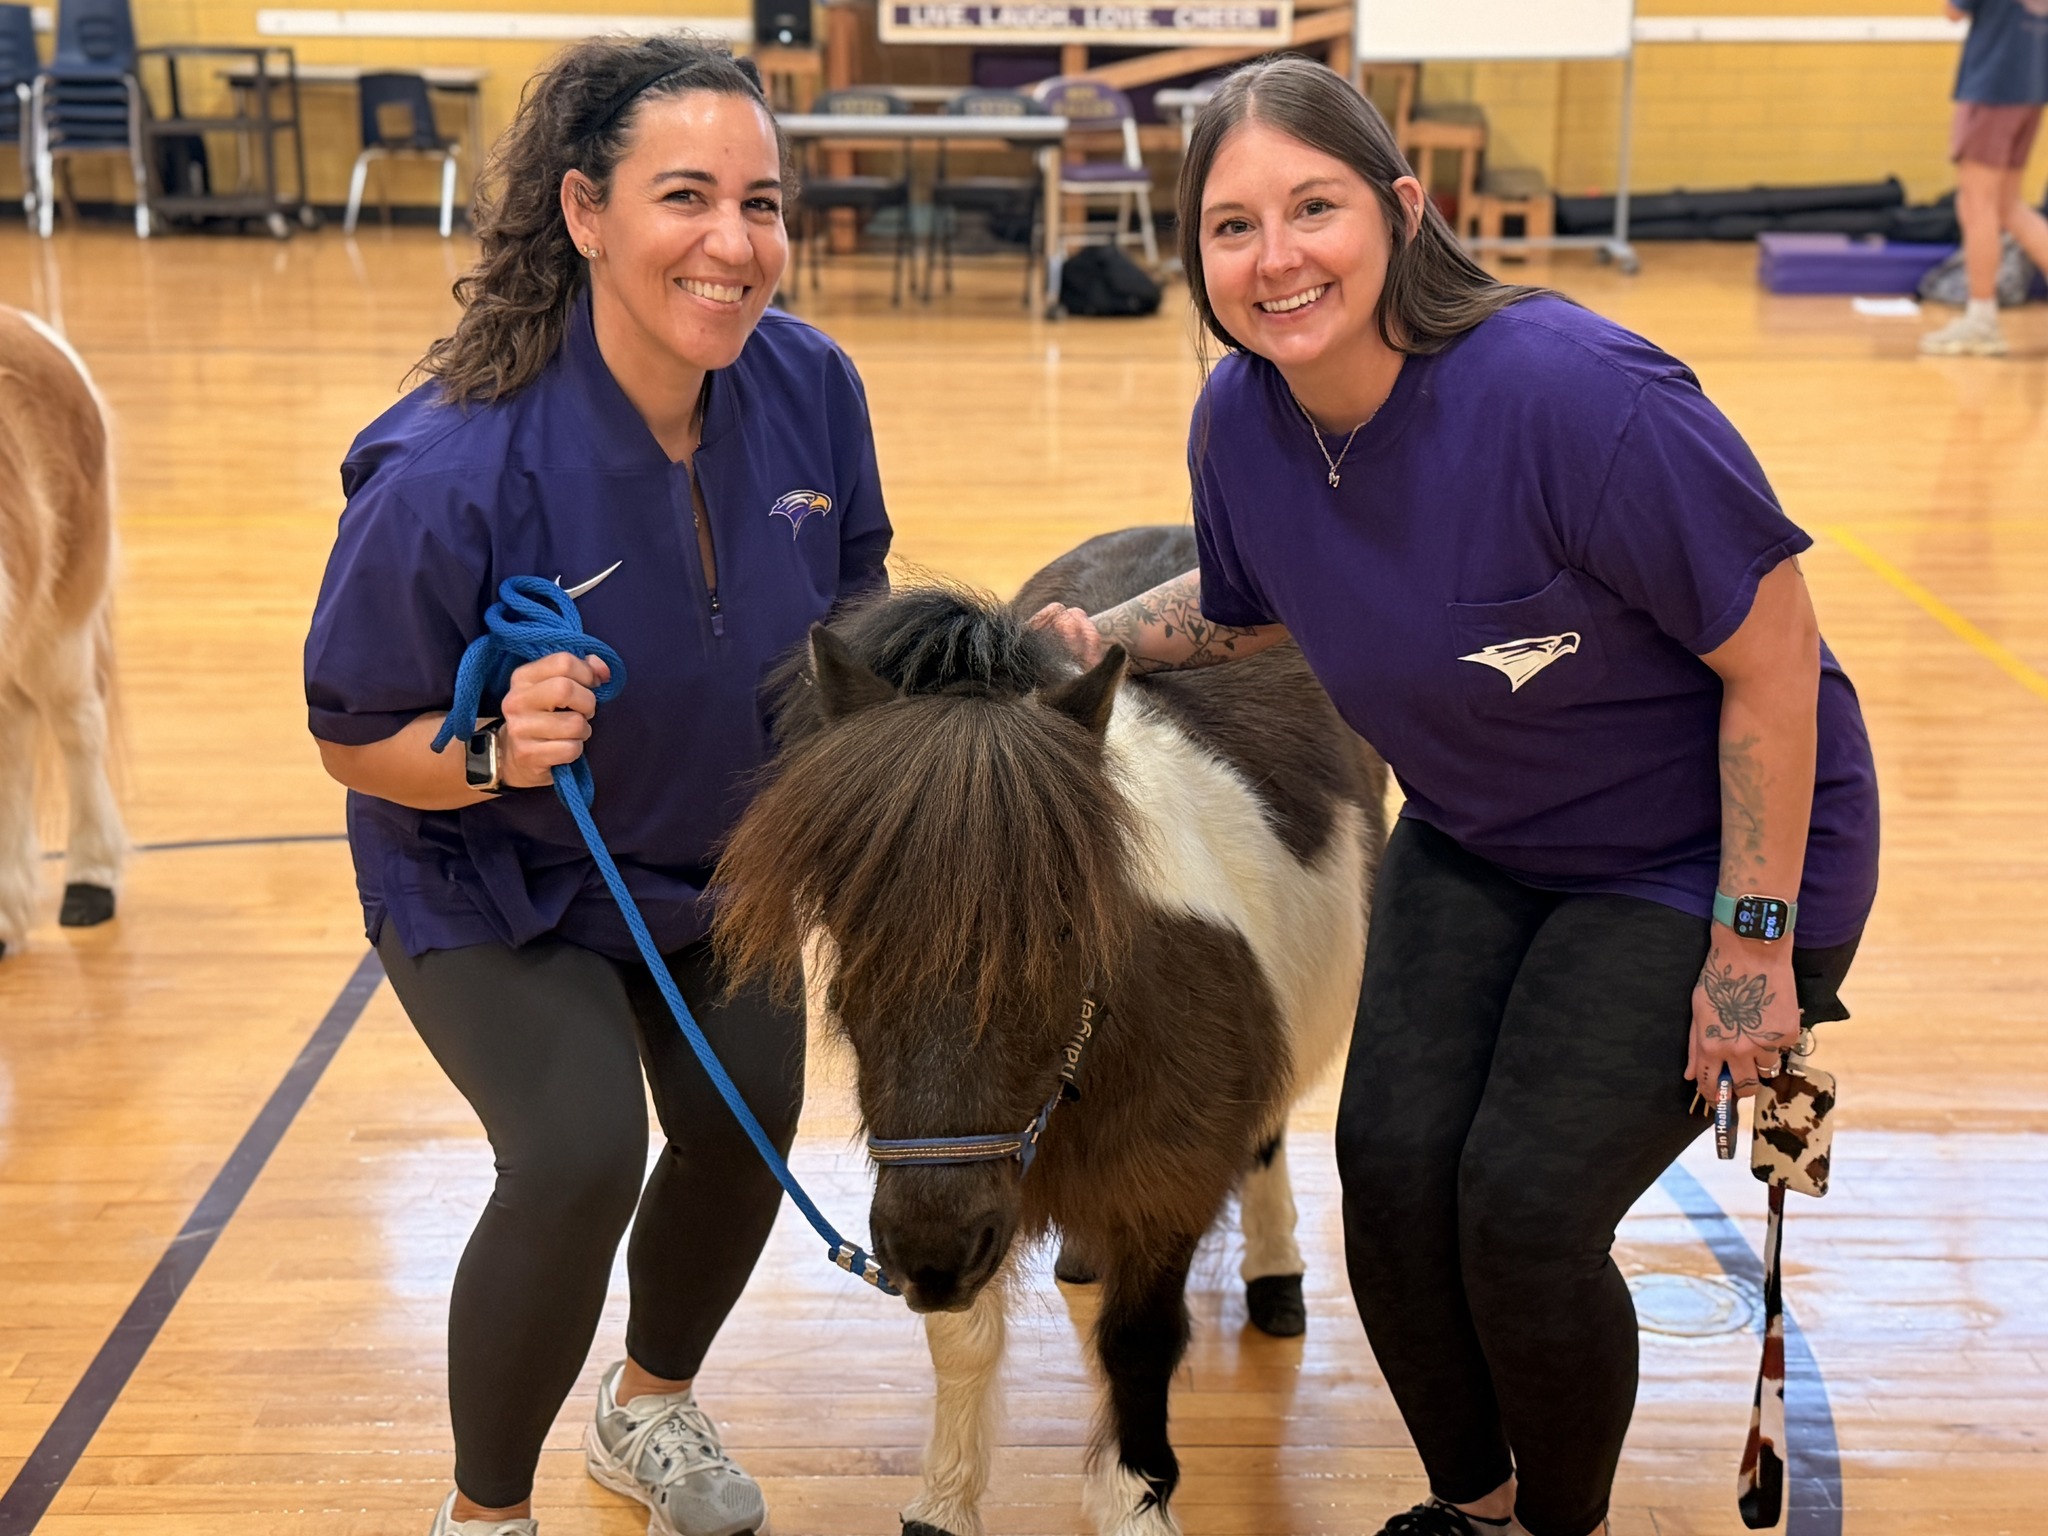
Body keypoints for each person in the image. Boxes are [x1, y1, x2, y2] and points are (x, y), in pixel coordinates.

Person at [1033, 57, 1879, 1536]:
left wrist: (1752, 946)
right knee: (1391, 1174)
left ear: (1402, 210)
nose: (1276, 257)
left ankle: (1558, 1527)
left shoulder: (1574, 396)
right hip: (1482, 833)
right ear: (1195, 257)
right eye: (1231, 226)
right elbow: (1245, 602)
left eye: (1314, 208)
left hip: (1705, 859)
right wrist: (1093, 642)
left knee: (1525, 1211)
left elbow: (1774, 657)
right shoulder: (1242, 418)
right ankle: (1472, 1509)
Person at [304, 36, 890, 1536]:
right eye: (683, 196)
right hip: (489, 871)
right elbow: (351, 734)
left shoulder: (813, 389)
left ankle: (647, 1409)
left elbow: (854, 597)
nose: (732, 243)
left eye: (760, 203)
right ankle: (485, 1514)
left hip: (717, 858)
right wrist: (493, 749)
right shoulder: (447, 468)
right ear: (583, 210)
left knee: (747, 1117)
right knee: (575, 1154)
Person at [1921, 0, 2048, 356]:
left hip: (1993, 84)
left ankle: (1981, 320)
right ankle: (1981, 318)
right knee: (2008, 207)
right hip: (2032, 87)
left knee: (1977, 205)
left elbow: (1954, 11)